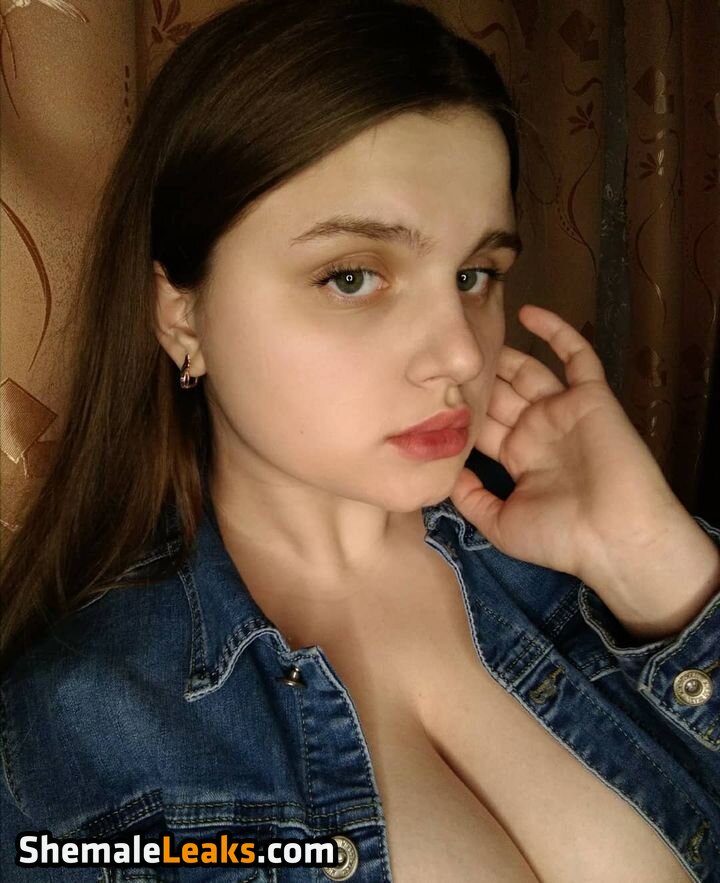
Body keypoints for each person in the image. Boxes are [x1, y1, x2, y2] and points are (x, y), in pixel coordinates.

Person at [1, 0, 719, 880]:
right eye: (351, 276)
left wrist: (663, 572)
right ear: (182, 314)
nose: (462, 353)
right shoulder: (79, 740)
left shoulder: (583, 559)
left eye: (475, 273)